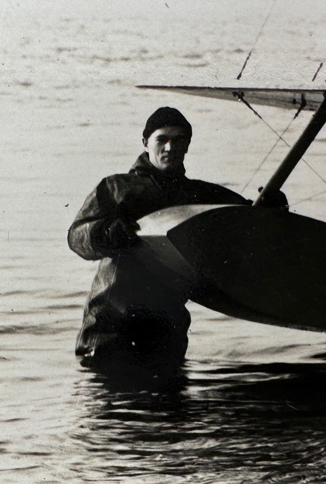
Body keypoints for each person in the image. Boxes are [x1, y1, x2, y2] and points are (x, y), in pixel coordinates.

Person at [68, 107, 250, 375]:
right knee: (111, 398)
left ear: (187, 145)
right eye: (162, 139)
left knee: (170, 396)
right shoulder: (116, 188)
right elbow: (76, 236)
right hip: (112, 326)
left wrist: (270, 206)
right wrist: (107, 232)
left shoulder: (200, 194)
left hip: (167, 329)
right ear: (145, 142)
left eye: (179, 140)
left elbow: (246, 215)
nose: (170, 147)